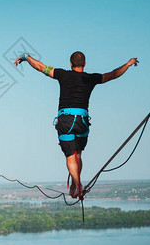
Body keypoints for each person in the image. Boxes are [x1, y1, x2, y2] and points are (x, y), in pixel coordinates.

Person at [15, 51, 138, 199]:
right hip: (82, 121)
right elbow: (113, 74)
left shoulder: (62, 74)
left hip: (66, 120)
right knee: (77, 154)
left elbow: (41, 67)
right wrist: (128, 64)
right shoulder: (91, 78)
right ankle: (74, 185)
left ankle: (78, 184)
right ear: (85, 64)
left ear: (70, 63)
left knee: (69, 156)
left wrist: (25, 57)